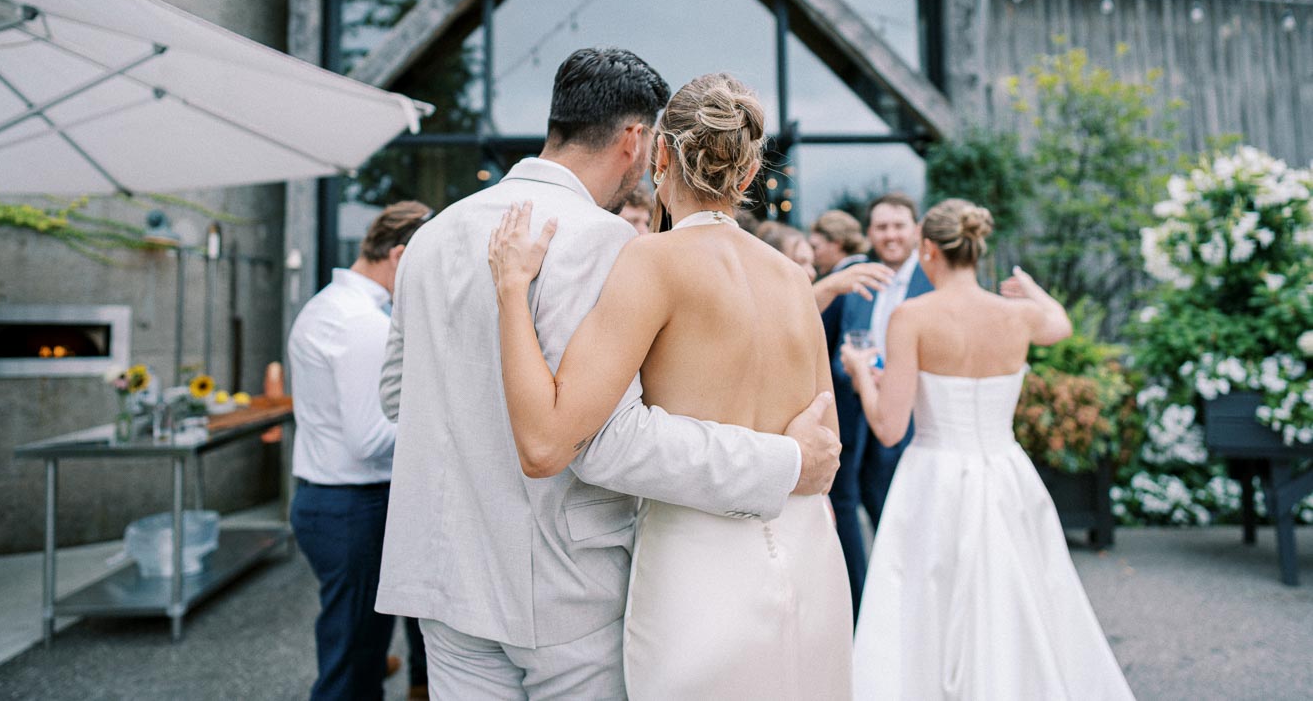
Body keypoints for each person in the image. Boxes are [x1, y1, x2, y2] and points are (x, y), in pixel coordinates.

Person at [376, 49, 841, 699]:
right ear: (635, 140)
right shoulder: (604, 241)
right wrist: (785, 463)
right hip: (566, 582)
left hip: (443, 576)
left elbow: (399, 397)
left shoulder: (433, 235)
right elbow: (610, 439)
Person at [842, 199, 1134, 700]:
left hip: (933, 477)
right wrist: (1034, 292)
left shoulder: (912, 316)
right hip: (1006, 474)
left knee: (927, 606)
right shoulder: (1018, 317)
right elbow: (1060, 324)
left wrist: (860, 377)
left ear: (928, 248)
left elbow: (889, 429)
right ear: (976, 250)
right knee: (1019, 598)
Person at [287, 201, 433, 701]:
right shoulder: (360, 323)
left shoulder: (329, 305)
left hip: (330, 502)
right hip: (354, 507)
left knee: (359, 654)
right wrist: (441, 423)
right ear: (399, 255)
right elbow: (370, 438)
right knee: (350, 667)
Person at [824, 191, 930, 621]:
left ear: (916, 230)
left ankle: (912, 602)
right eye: (882, 227)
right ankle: (866, 605)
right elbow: (835, 350)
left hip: (912, 420)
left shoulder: (934, 280)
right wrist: (857, 368)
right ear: (869, 233)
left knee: (901, 509)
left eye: (899, 226)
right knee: (848, 504)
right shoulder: (857, 279)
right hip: (854, 414)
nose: (890, 235)